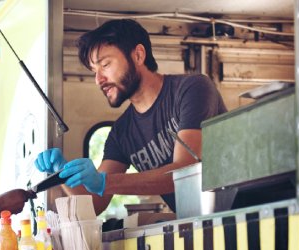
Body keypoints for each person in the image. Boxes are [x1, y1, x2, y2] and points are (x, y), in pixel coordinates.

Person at [35, 19, 227, 215]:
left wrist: (104, 182)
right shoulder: (122, 133)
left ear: (138, 55)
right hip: (196, 225)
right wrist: (62, 174)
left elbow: (185, 172)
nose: (98, 80)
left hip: (241, 215)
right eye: (94, 71)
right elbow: (94, 203)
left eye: (105, 65)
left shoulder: (192, 89)